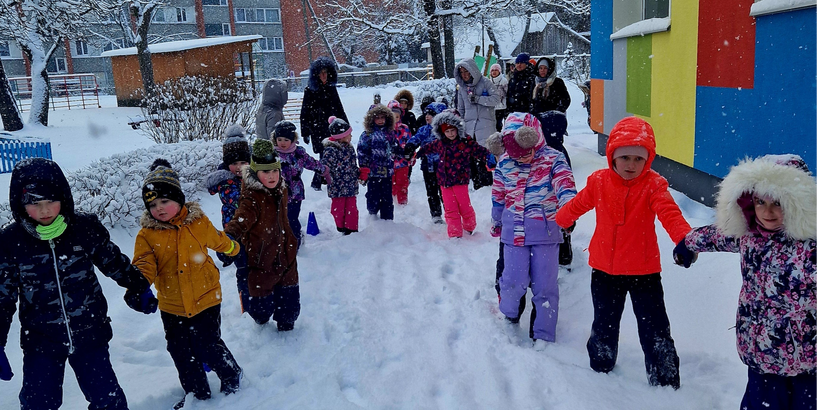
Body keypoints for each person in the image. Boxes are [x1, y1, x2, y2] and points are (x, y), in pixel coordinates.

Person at [0, 158, 157, 410]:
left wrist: (139, 286)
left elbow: (113, 261)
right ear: (21, 203)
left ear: (63, 198)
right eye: (35, 203)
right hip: (41, 340)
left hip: (90, 332)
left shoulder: (83, 229)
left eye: (51, 201)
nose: (45, 210)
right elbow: (3, 296)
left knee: (107, 399)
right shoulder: (11, 242)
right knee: (39, 403)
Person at [554, 117, 689, 389]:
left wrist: (685, 240)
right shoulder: (599, 181)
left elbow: (670, 213)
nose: (631, 165)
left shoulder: (653, 185)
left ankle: (664, 379)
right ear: (612, 156)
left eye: (638, 159)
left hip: (644, 271)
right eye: (625, 157)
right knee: (604, 322)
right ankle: (601, 364)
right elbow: (579, 203)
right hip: (604, 270)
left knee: (655, 328)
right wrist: (562, 219)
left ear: (648, 160)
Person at [675, 154, 817, 409]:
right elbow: (717, 235)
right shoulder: (748, 234)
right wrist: (688, 244)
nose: (767, 211)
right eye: (760, 201)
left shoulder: (810, 248)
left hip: (807, 361)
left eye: (778, 203)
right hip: (761, 355)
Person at [133, 159, 243, 408]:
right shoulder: (147, 235)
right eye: (153, 204)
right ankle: (197, 392)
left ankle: (231, 374)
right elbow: (144, 263)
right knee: (181, 352)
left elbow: (217, 239)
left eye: (165, 201)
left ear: (178, 199)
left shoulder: (197, 222)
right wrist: (138, 285)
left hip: (206, 298)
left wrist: (233, 248)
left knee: (208, 345)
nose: (159, 208)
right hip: (172, 305)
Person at [486, 112, 576, 348]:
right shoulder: (505, 162)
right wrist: (497, 219)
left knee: (545, 284)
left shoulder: (553, 159)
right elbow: (499, 194)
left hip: (545, 232)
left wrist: (568, 210)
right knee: (513, 279)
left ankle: (543, 332)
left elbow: (565, 185)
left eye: (526, 153)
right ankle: (510, 314)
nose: (522, 159)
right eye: (516, 155)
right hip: (513, 232)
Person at [224, 139, 300, 330]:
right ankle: (261, 321)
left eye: (274, 170)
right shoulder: (252, 197)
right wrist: (228, 238)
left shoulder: (281, 187)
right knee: (261, 309)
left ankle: (287, 323)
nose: (272, 176)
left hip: (286, 253)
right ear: (256, 174)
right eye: (265, 172)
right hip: (261, 258)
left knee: (289, 301)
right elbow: (241, 219)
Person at [416, 109, 491, 238]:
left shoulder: (465, 142)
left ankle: (469, 227)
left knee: (464, 207)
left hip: (460, 180)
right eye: (447, 131)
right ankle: (455, 233)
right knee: (450, 209)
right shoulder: (440, 143)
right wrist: (418, 153)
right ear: (442, 132)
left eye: (452, 130)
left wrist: (488, 156)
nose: (450, 134)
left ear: (457, 129)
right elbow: (428, 148)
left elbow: (478, 150)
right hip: (444, 181)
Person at [205, 125, 254, 314]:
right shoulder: (225, 181)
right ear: (227, 164)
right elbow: (237, 200)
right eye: (234, 163)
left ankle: (260, 296)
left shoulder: (254, 176)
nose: (239, 167)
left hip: (254, 230)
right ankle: (246, 304)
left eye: (243, 162)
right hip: (235, 230)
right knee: (243, 269)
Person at [272, 120, 330, 247]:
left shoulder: (298, 153)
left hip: (295, 193)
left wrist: (324, 170)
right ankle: (281, 242)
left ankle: (295, 242)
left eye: (286, 140)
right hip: (277, 194)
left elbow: (311, 163)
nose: (282, 143)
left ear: (292, 139)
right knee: (279, 220)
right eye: (279, 139)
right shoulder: (272, 155)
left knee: (292, 219)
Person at [300, 57, 348, 191]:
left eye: (325, 72)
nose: (324, 75)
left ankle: (323, 180)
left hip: (332, 127)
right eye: (321, 73)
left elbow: (339, 108)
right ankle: (318, 182)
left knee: (330, 154)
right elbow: (305, 112)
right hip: (318, 129)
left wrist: (346, 125)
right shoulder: (310, 91)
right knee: (324, 154)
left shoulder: (331, 89)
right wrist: (305, 132)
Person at [536, 110, 574, 266]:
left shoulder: (546, 152)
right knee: (560, 221)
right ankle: (564, 250)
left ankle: (562, 248)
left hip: (549, 196)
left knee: (556, 221)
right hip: (557, 196)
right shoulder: (560, 152)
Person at [454, 58, 498, 190]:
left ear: (472, 70)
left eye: (466, 71)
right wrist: (460, 125)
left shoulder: (486, 82)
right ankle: (477, 187)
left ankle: (487, 187)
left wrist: (479, 99)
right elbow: (461, 109)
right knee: (471, 159)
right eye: (462, 72)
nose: (464, 75)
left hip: (485, 126)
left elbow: (496, 99)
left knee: (484, 159)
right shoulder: (462, 88)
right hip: (469, 128)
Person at [404, 102, 447, 224]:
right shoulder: (424, 130)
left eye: (431, 114)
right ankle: (436, 214)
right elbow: (416, 139)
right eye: (426, 114)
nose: (427, 116)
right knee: (431, 191)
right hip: (428, 166)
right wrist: (410, 146)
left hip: (443, 167)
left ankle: (450, 212)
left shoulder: (445, 131)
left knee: (445, 191)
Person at [358, 104, 400, 220]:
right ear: (371, 119)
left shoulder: (390, 133)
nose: (380, 120)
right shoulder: (367, 135)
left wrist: (403, 153)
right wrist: (364, 167)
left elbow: (395, 148)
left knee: (387, 197)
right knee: (373, 196)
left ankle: (387, 219)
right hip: (373, 172)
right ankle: (372, 213)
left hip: (387, 172)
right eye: (377, 118)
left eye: (383, 117)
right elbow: (362, 151)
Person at [322, 116, 360, 234]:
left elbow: (353, 164)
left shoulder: (350, 148)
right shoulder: (331, 150)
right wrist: (324, 176)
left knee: (352, 209)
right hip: (337, 186)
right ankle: (341, 225)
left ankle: (351, 228)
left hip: (350, 184)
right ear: (342, 136)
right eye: (349, 134)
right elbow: (326, 166)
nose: (351, 136)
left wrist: (358, 173)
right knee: (338, 209)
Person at [388, 100, 412, 206]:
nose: (395, 119)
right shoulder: (385, 130)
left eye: (397, 117)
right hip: (389, 163)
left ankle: (402, 203)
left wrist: (410, 155)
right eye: (392, 117)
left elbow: (410, 143)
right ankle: (392, 201)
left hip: (403, 163)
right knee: (390, 184)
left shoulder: (405, 129)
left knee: (402, 183)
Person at [489, 63, 509, 132]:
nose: (494, 72)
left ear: (499, 71)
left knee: (499, 124)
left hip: (501, 107)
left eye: (496, 70)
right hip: (492, 106)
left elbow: (507, 92)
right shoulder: (489, 82)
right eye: (492, 70)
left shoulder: (504, 81)